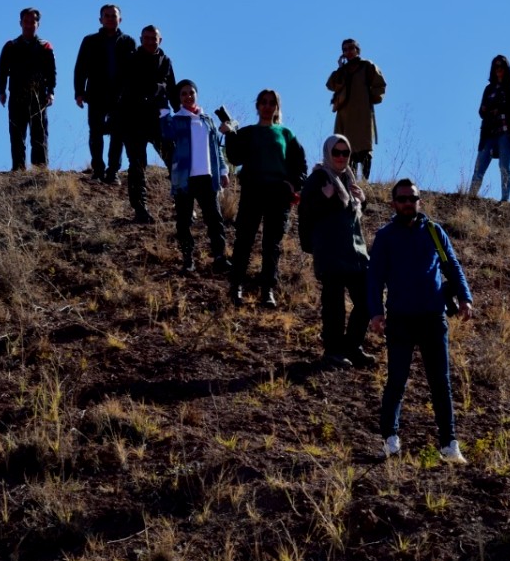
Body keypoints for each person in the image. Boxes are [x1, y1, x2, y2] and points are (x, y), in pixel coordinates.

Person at [368, 178, 473, 464]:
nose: (407, 203)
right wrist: (376, 312)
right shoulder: (385, 236)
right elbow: (375, 278)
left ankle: (449, 444)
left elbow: (453, 267)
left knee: (440, 383)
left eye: (412, 198)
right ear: (393, 203)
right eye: (402, 199)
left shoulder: (434, 232)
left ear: (419, 201)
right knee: (396, 382)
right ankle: (390, 439)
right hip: (400, 319)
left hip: (433, 318)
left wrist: (465, 298)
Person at [221, 89, 307, 308]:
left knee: (272, 244)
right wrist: (230, 134)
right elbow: (235, 157)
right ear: (257, 106)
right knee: (244, 241)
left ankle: (268, 291)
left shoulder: (286, 134)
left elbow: (300, 165)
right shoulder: (248, 133)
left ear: (277, 107)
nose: (268, 106)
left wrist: (293, 184)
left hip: (278, 195)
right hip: (253, 191)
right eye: (264, 102)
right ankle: (236, 287)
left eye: (272, 103)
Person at [298, 134, 375, 369]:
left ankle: (352, 346)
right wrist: (324, 197)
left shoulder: (349, 180)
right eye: (336, 152)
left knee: (367, 301)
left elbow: (354, 214)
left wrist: (364, 200)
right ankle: (333, 351)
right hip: (330, 251)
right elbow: (305, 212)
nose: (341, 157)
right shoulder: (319, 178)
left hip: (355, 251)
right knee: (334, 306)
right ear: (328, 153)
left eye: (345, 153)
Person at [161, 80, 230, 273]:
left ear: (196, 94)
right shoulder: (176, 119)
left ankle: (219, 256)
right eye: (183, 94)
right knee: (184, 221)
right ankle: (188, 259)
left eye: (191, 92)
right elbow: (166, 135)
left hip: (207, 177)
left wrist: (223, 171)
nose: (188, 96)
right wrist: (164, 112)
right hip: (185, 178)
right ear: (179, 98)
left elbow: (217, 147)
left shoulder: (207, 120)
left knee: (214, 219)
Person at [119, 25, 178, 223]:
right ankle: (140, 209)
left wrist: (182, 114)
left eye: (154, 38)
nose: (150, 41)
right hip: (133, 119)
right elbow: (125, 86)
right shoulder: (131, 59)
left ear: (160, 40)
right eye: (146, 38)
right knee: (137, 165)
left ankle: (182, 205)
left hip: (158, 119)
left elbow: (172, 90)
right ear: (141, 39)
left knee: (174, 159)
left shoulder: (166, 61)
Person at [74, 4, 137, 184]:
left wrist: (131, 95)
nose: (110, 18)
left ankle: (113, 171)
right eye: (107, 16)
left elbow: (133, 72)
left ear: (120, 19)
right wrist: (79, 92)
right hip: (96, 93)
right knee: (95, 132)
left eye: (113, 16)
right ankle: (98, 170)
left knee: (118, 134)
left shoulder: (128, 42)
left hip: (120, 96)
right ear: (100, 19)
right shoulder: (90, 41)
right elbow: (80, 68)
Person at [0, 7, 56, 172]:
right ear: (20, 23)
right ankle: (18, 168)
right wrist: (1, 91)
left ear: (38, 24)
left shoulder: (45, 46)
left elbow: (51, 72)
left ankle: (40, 170)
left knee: (39, 134)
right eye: (26, 22)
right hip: (16, 96)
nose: (29, 25)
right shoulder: (11, 46)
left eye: (33, 22)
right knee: (16, 134)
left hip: (38, 97)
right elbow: (2, 71)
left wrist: (51, 92)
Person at [468, 54, 510, 202]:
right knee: (480, 165)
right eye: (496, 67)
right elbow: (480, 112)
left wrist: (501, 108)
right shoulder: (489, 89)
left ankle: (505, 200)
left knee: (504, 166)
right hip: (490, 133)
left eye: (501, 66)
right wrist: (485, 109)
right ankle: (469, 198)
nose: (498, 69)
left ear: (506, 69)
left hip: (507, 133)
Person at [325, 38, 386, 180]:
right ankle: (349, 182)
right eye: (345, 49)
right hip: (344, 115)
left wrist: (369, 98)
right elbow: (330, 85)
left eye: (351, 48)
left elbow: (380, 84)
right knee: (345, 148)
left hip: (363, 114)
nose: (348, 52)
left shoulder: (367, 66)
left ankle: (364, 184)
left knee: (364, 147)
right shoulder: (343, 71)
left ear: (357, 50)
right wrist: (340, 68)